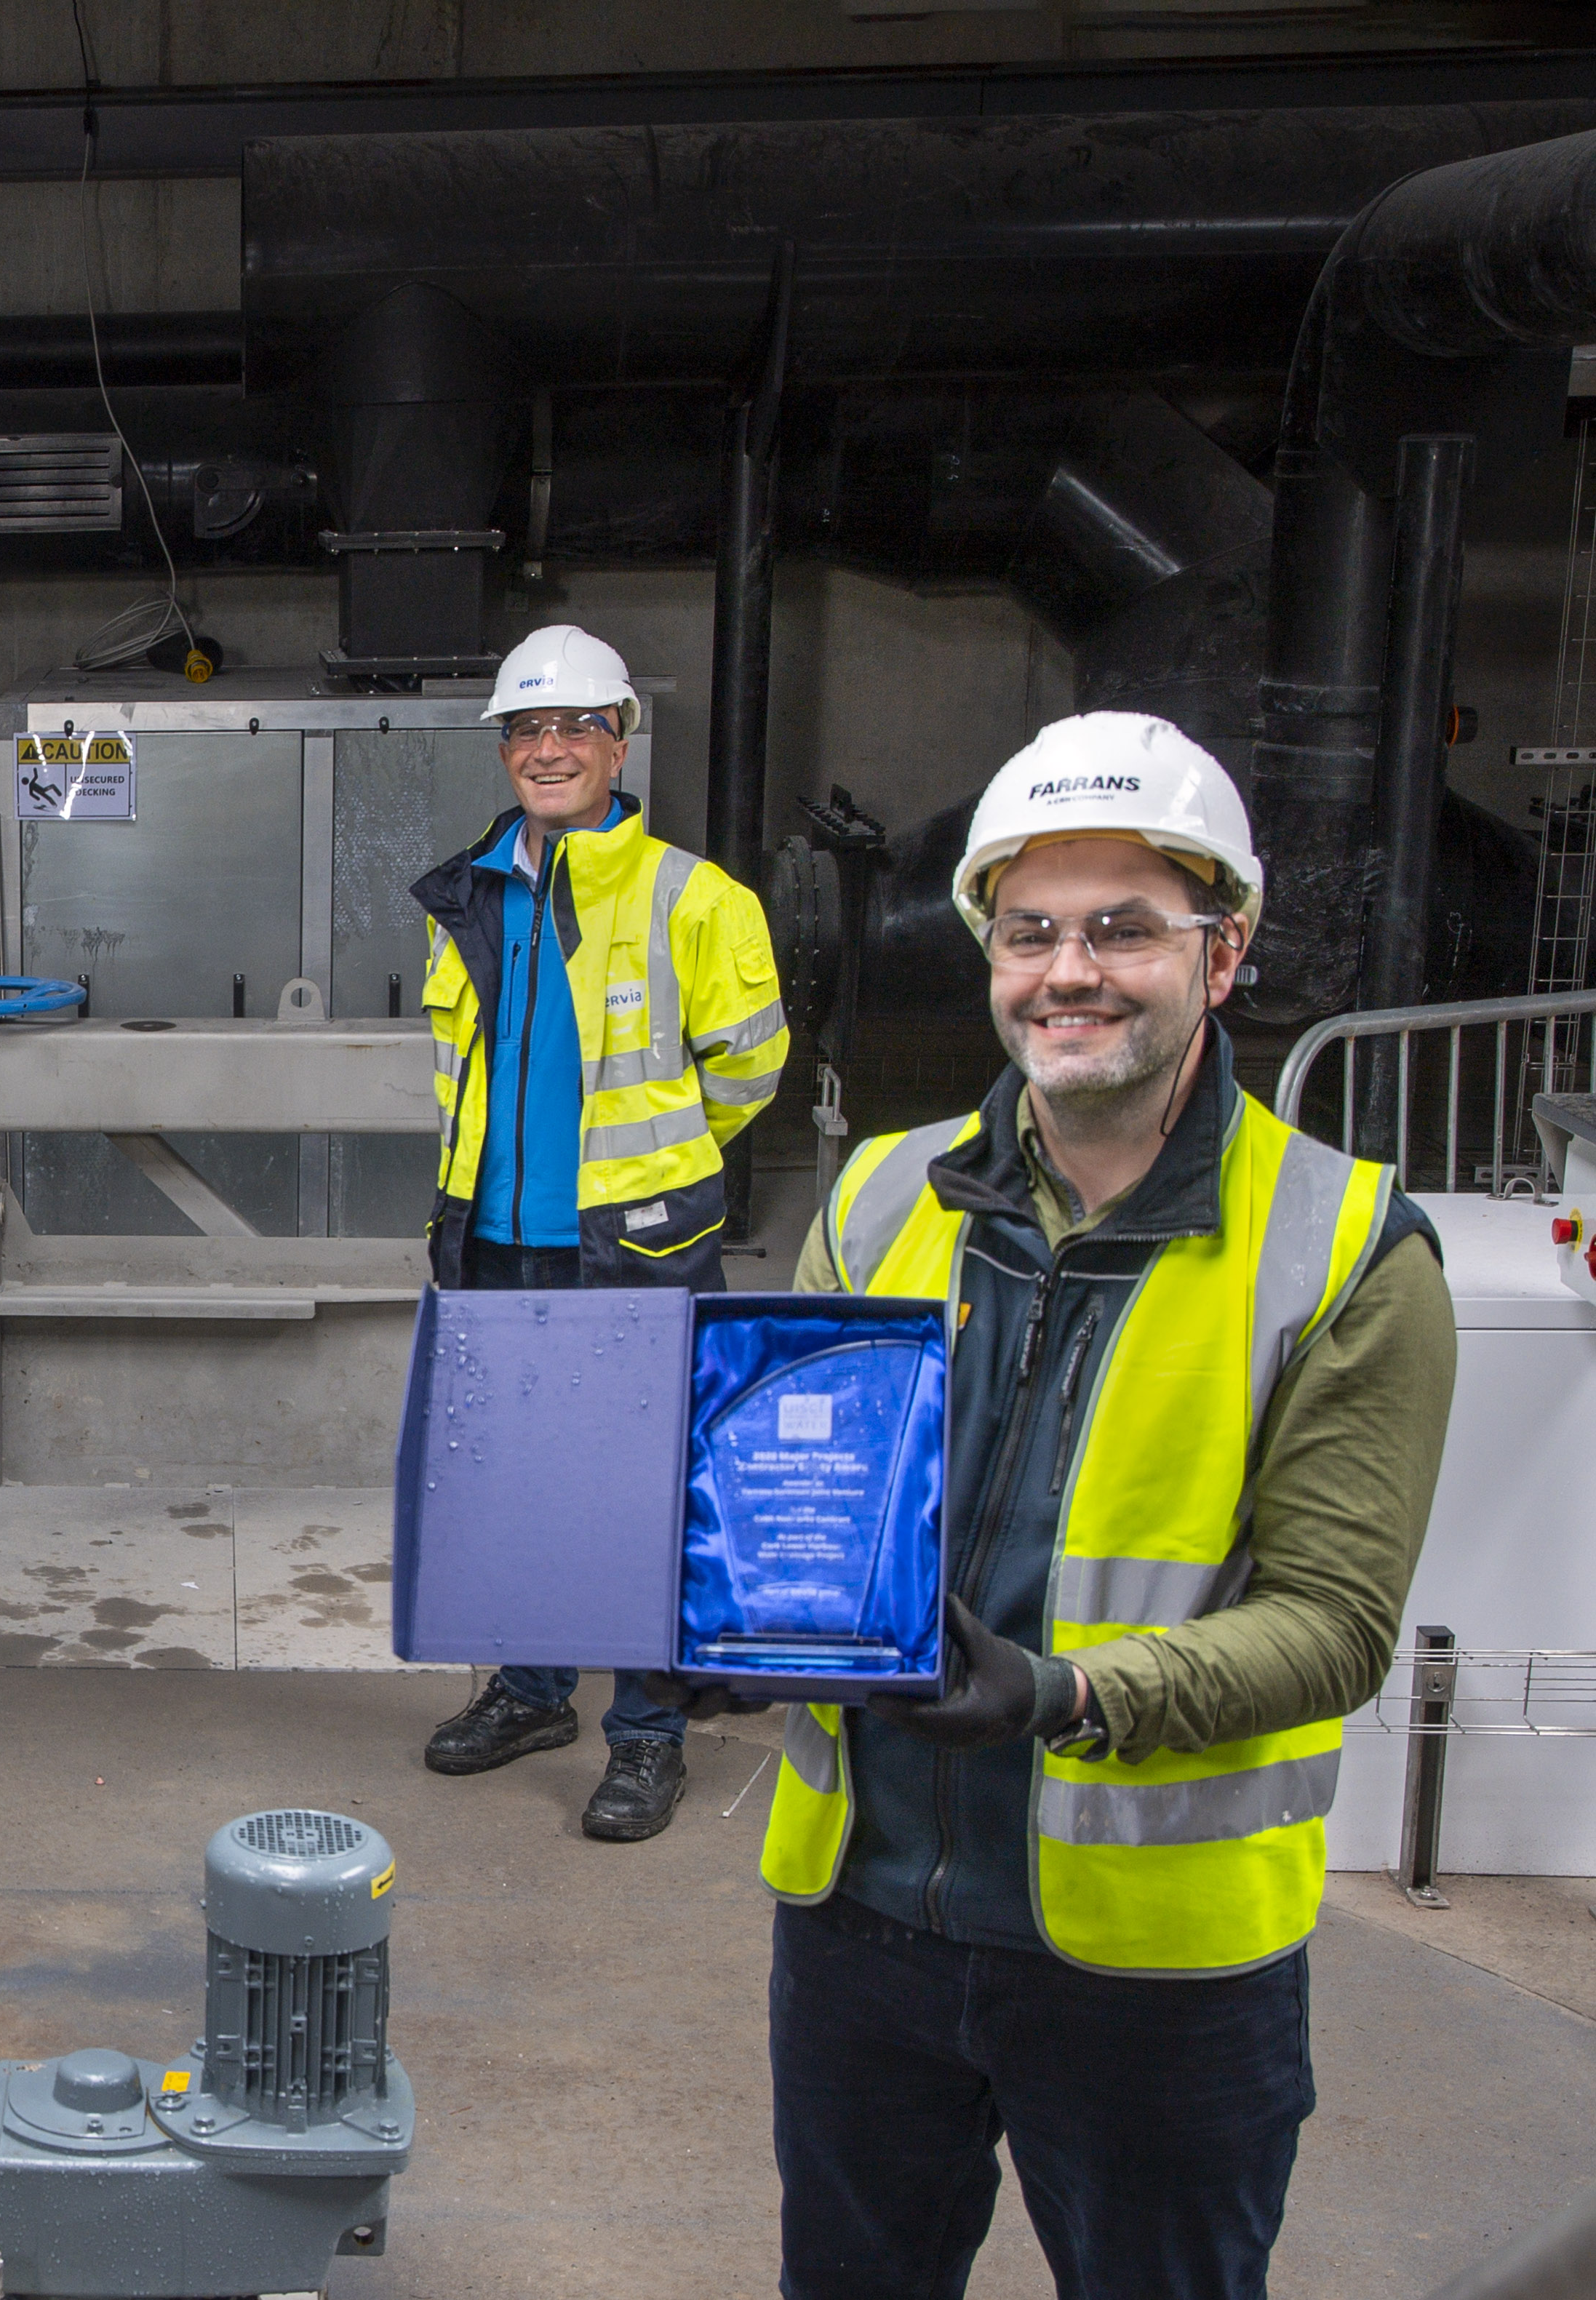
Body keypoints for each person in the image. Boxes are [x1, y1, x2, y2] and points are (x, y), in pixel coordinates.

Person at [693, 714, 1456, 2298]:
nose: (1069, 973)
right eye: (1028, 931)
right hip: (861, 1921)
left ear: (1221, 952)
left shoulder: (1344, 1251)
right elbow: (800, 1510)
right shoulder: (881, 1196)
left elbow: (1334, 1625)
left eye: (1124, 929)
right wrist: (720, 1606)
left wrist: (1065, 1692)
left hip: (1153, 1963)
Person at [410, 623, 791, 1842]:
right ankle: (529, 1691)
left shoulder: (692, 895)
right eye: (527, 728)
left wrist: (654, 1173)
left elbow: (748, 1071)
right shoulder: (467, 891)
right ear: (505, 751)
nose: (549, 748)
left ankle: (644, 1736)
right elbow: (453, 1067)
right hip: (498, 1238)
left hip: (630, 1246)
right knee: (516, 1484)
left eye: (575, 725)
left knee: (634, 1498)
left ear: (616, 743)